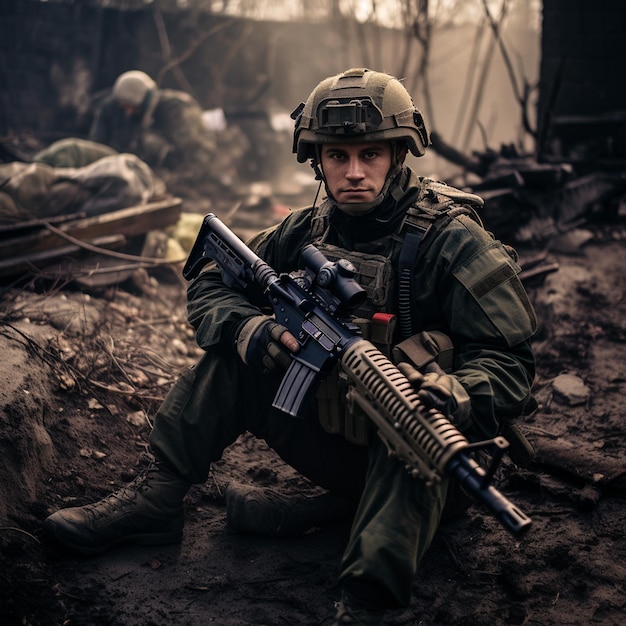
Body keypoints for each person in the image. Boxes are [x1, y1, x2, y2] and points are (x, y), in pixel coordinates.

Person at [44, 68, 537, 624]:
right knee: (233, 355)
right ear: (316, 159)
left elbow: (514, 361)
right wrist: (247, 329)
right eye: (337, 156)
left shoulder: (452, 240)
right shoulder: (306, 230)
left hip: (431, 474)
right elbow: (212, 273)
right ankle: (157, 498)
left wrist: (456, 390)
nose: (353, 172)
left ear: (400, 154)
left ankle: (368, 599)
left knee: (413, 426)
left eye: (370, 154)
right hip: (337, 440)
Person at [88, 70, 220, 184]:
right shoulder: (111, 108)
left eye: (132, 107)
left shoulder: (176, 109)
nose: (128, 113)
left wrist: (180, 178)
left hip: (172, 175)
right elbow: (96, 144)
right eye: (124, 107)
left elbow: (199, 151)